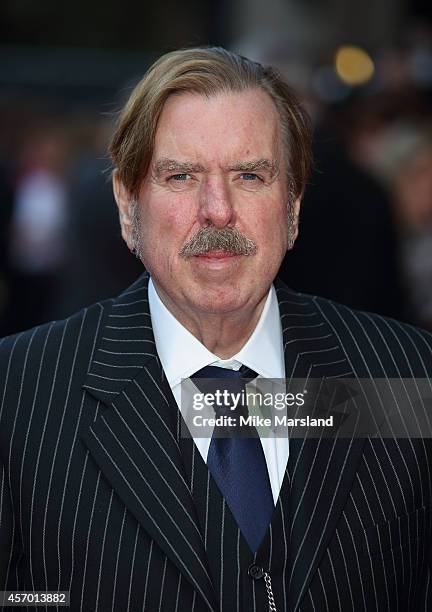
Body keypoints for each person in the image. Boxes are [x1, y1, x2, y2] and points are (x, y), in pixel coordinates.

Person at [0, 47, 431, 612]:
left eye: (249, 175)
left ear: (293, 205)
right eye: (181, 176)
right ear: (129, 205)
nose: (218, 210)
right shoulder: (19, 391)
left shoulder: (404, 376)